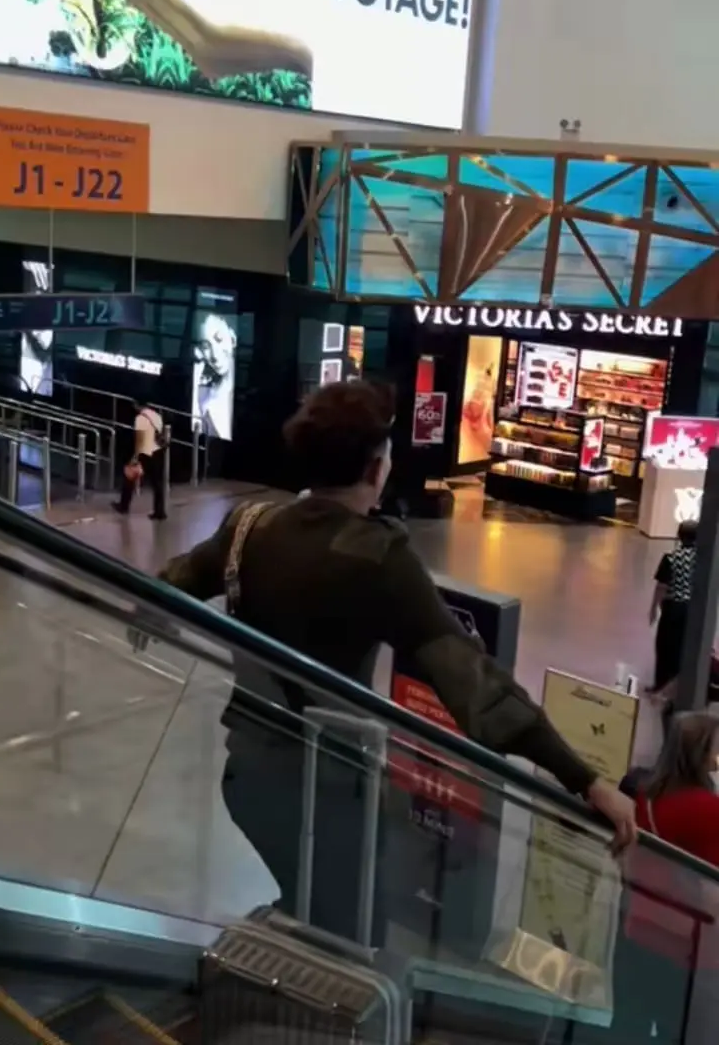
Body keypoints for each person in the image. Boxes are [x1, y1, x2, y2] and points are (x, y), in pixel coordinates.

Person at [156, 381, 635, 940]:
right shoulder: (378, 556)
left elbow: (178, 580)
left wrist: (148, 611)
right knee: (348, 932)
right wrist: (583, 778)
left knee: (310, 902)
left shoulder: (250, 523)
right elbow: (474, 685)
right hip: (330, 791)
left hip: (246, 775)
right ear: (375, 470)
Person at [617, 712, 719, 1044]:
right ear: (701, 754)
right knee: (678, 1033)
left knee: (628, 1026)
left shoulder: (646, 796)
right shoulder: (708, 809)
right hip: (684, 949)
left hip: (637, 930)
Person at [648, 521, 698, 695]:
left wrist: (653, 608)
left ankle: (661, 685)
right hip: (691, 608)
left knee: (665, 645)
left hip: (673, 607)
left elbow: (661, 586)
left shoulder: (670, 557)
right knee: (683, 646)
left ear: (679, 535)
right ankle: (679, 686)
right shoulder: (702, 560)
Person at [113, 399, 166, 521]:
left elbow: (139, 439)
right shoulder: (157, 416)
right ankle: (160, 511)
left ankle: (123, 506)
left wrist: (135, 456)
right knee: (157, 483)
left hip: (145, 452)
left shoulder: (140, 418)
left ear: (137, 405)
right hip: (157, 451)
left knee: (129, 477)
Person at [192, 312, 237, 441]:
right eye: (206, 346)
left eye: (219, 339)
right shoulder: (203, 395)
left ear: (232, 337)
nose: (215, 356)